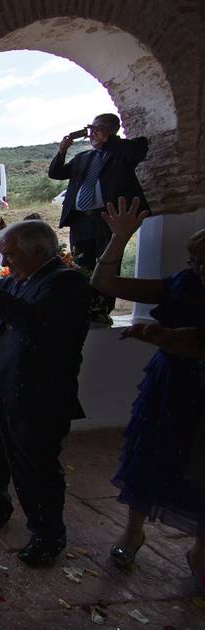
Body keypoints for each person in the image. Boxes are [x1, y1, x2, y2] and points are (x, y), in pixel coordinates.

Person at [0, 220, 91, 567]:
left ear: (38, 252)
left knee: (35, 467)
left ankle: (46, 535)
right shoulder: (16, 279)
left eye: (11, 254)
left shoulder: (66, 282)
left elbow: (34, 320)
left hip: (35, 394)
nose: (6, 261)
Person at [89, 197, 205, 581]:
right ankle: (133, 532)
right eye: (195, 261)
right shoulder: (182, 284)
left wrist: (166, 336)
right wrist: (119, 238)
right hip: (172, 382)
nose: (198, 269)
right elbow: (104, 283)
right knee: (151, 450)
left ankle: (200, 549)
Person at [49, 113, 150, 271]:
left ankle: (105, 296)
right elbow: (56, 173)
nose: (92, 134)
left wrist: (107, 140)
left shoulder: (126, 150)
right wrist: (62, 152)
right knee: (80, 267)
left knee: (108, 266)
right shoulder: (82, 157)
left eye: (98, 129)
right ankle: (86, 296)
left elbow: (135, 152)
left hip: (108, 219)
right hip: (80, 220)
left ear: (111, 130)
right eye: (92, 129)